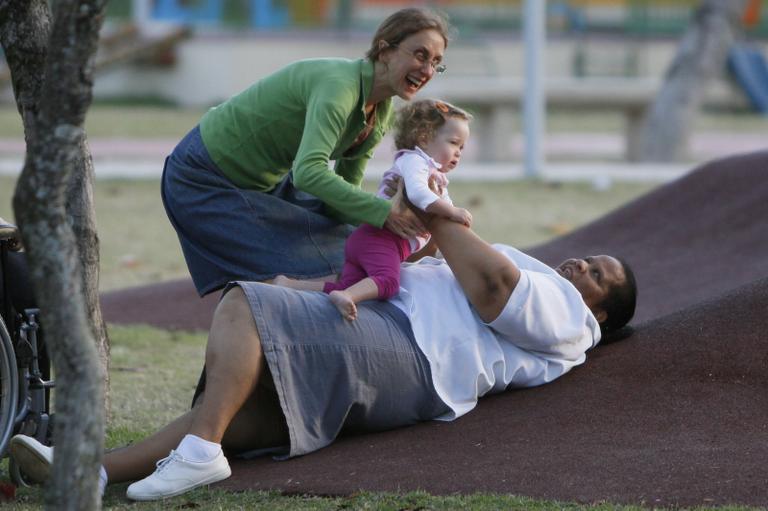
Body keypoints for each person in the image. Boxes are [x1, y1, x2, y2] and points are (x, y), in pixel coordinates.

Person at [8, 208, 637, 502]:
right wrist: (309, 288)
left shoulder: (570, 319)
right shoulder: (551, 289)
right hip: (398, 336)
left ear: (602, 312)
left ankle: (195, 456)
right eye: (590, 258)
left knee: (241, 303)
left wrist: (437, 209)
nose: (583, 263)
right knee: (244, 411)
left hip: (410, 349)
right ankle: (92, 474)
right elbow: (409, 275)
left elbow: (496, 289)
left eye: (599, 273)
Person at [161, 7, 452, 297]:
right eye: (420, 55)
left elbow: (340, 201)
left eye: (436, 62)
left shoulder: (381, 110)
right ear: (385, 50)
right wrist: (383, 212)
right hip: (203, 176)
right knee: (300, 271)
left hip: (264, 183)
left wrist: (395, 212)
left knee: (355, 247)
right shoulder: (339, 88)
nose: (427, 71)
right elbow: (308, 172)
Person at [274, 99, 473, 320]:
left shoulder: (433, 175)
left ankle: (289, 284)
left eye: (462, 147)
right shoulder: (414, 161)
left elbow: (442, 210)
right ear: (425, 139)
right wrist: (453, 212)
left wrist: (451, 214)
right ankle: (346, 295)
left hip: (366, 240)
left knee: (348, 283)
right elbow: (417, 193)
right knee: (387, 283)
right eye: (454, 143)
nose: (459, 153)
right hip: (382, 241)